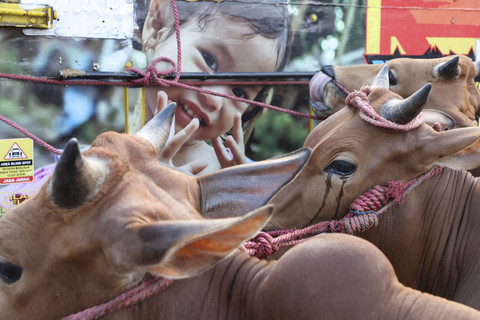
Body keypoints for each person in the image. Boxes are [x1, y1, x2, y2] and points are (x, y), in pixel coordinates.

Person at [130, 0, 292, 175]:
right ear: (157, 25)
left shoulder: (236, 175)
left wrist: (234, 189)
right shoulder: (104, 156)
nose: (214, 98)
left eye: (239, 92)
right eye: (209, 59)